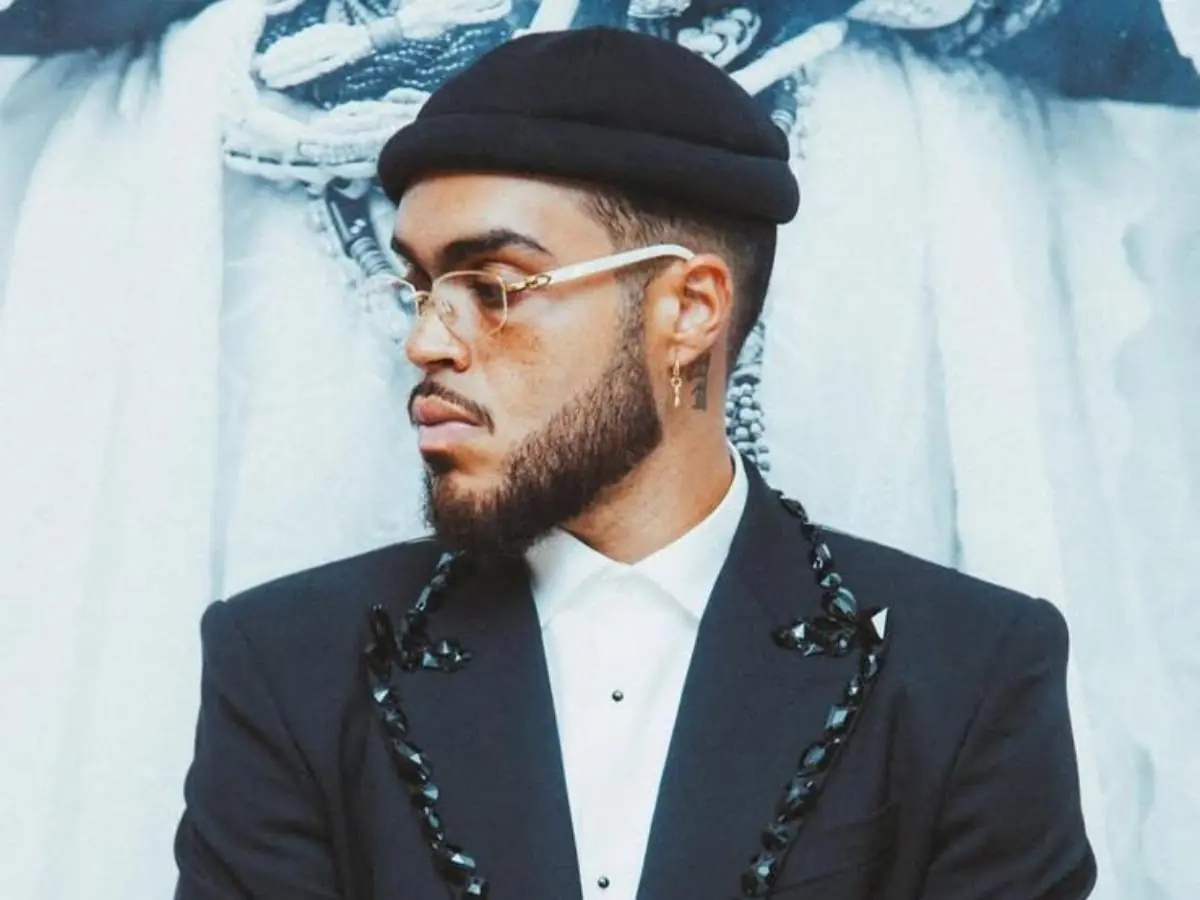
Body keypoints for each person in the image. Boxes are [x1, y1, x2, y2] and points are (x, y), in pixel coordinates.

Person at [173, 26, 1097, 900]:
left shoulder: (969, 671)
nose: (425, 342)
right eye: (421, 287)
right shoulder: (290, 667)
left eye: (491, 286)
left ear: (689, 309)